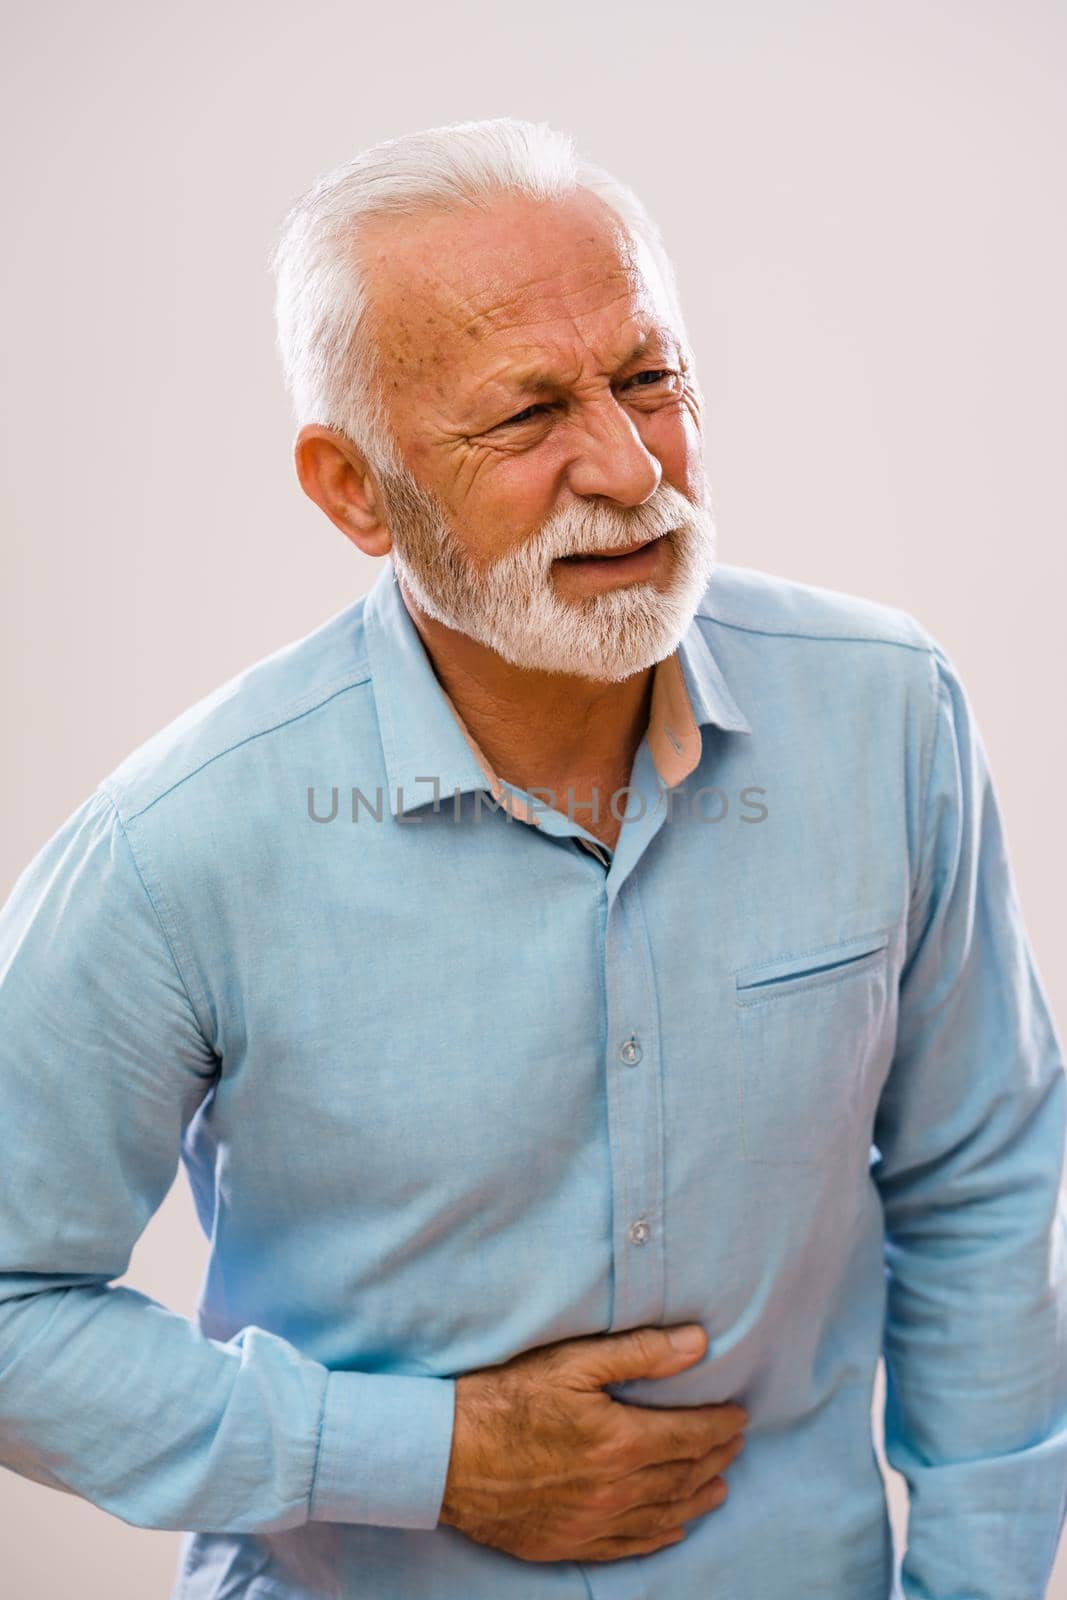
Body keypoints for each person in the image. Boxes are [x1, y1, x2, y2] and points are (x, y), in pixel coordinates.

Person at [1, 117, 1064, 1600]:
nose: (630, 470)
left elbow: (984, 1176)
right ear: (353, 488)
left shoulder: (890, 716)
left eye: (652, 379)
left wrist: (981, 1584)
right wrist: (420, 1455)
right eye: (528, 416)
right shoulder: (174, 849)